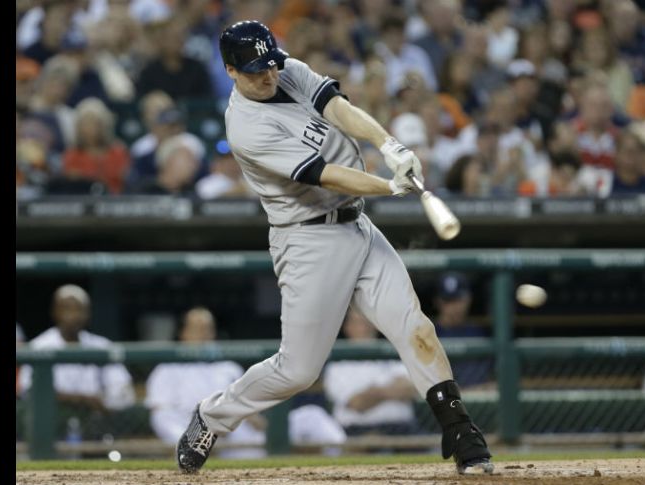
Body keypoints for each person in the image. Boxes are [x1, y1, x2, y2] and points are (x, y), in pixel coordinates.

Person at [175, 21, 492, 476]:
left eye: (270, 64)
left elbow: (339, 108)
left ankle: (461, 432)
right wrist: (388, 186)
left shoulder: (286, 70)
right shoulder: (245, 127)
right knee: (298, 371)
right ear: (230, 71)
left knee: (415, 327)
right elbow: (326, 175)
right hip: (308, 239)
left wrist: (389, 144)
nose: (268, 76)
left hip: (356, 224)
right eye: (256, 70)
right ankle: (212, 415)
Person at [146, 307, 267, 458]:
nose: (203, 334)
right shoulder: (167, 368)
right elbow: (160, 413)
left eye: (208, 329)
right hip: (187, 430)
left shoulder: (229, 367)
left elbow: (249, 410)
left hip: (228, 435)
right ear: (184, 333)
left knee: (257, 442)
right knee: (162, 417)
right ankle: (191, 450)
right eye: (197, 329)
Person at [19, 285, 136, 414]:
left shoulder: (102, 346)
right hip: (53, 417)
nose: (74, 316)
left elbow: (124, 390)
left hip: (95, 418)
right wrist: (82, 400)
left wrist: (107, 400)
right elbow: (28, 390)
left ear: (88, 314)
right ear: (54, 312)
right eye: (67, 309)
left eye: (80, 310)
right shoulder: (39, 346)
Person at [323, 308, 420, 436]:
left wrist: (374, 392)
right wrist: (391, 390)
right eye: (359, 322)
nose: (366, 327)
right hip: (356, 432)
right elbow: (356, 403)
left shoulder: (391, 351)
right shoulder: (338, 362)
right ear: (348, 327)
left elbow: (411, 389)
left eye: (369, 321)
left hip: (403, 430)